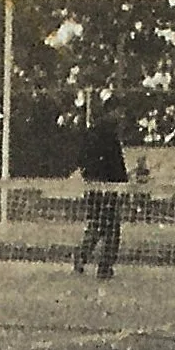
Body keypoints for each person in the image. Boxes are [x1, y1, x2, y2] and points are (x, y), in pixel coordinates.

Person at [73, 115, 128, 278]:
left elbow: (81, 160)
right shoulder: (110, 139)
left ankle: (82, 257)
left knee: (96, 225)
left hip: (93, 189)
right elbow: (118, 166)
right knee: (111, 230)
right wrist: (122, 182)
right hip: (107, 190)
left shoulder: (90, 136)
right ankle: (104, 266)